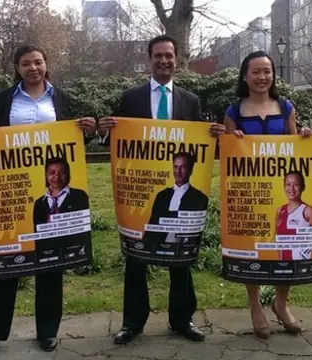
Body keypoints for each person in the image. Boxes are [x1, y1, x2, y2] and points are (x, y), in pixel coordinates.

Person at [0, 45, 97, 358]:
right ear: (17, 68)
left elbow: (71, 144)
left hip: (52, 191)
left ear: (47, 64)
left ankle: (48, 332)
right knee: (4, 262)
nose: (33, 68)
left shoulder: (62, 98)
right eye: (25, 63)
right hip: (14, 190)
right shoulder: (4, 99)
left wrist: (87, 132)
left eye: (38, 62)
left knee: (50, 263)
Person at [96, 34, 226, 345]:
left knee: (180, 256)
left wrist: (213, 136)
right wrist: (105, 132)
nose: (164, 60)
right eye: (158, 56)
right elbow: (117, 140)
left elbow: (197, 147)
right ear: (149, 59)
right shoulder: (131, 98)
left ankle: (183, 319)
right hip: (143, 192)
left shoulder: (190, 101)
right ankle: (132, 323)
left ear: (177, 60)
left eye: (169, 55)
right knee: (136, 256)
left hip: (181, 187)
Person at [222, 50, 312, 339]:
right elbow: (225, 155)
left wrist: (305, 137)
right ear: (245, 76)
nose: (262, 77)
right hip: (250, 192)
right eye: (256, 72)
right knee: (252, 245)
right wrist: (231, 140)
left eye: (267, 71)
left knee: (285, 246)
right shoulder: (233, 112)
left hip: (281, 192)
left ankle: (281, 303)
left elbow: (295, 147)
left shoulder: (286, 107)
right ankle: (254, 305)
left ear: (273, 75)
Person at [143, 152, 209, 245]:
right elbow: (152, 225)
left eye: (183, 167)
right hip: (156, 247)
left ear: (191, 170)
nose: (178, 171)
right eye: (175, 166)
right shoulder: (162, 195)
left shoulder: (200, 198)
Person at [276, 171, 312, 261]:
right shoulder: (280, 211)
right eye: (288, 184)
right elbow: (278, 240)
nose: (291, 188)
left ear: (303, 187)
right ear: (284, 187)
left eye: (296, 184)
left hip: (301, 266)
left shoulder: (308, 210)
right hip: (284, 265)